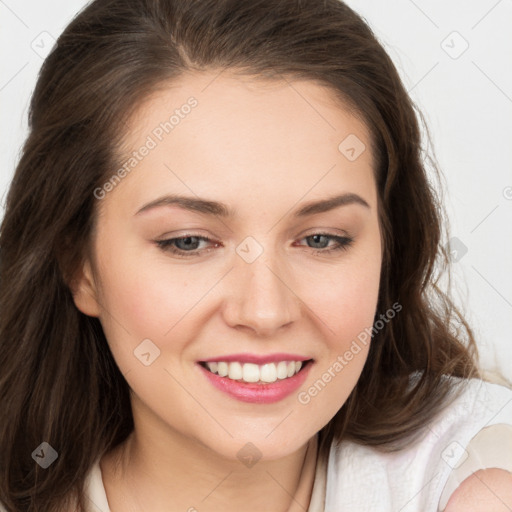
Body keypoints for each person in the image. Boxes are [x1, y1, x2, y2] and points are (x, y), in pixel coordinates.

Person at [0, 0, 511, 511]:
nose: (265, 311)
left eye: (321, 239)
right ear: (80, 266)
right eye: (188, 242)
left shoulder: (476, 482)